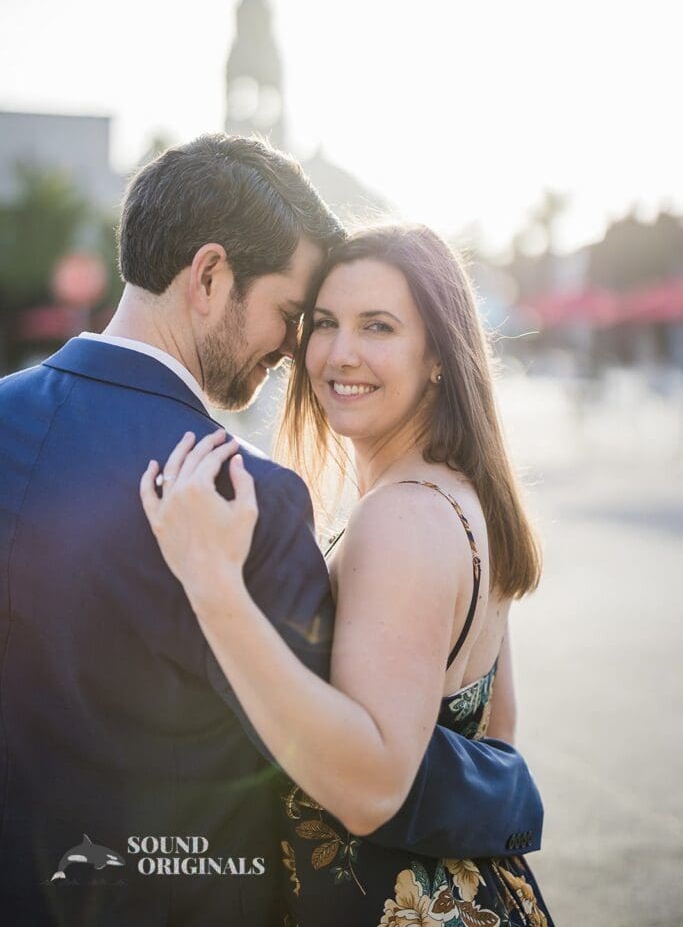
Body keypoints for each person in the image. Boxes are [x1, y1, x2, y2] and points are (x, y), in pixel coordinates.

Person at [0, 135, 541, 927]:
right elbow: (333, 770)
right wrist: (507, 790)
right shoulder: (247, 496)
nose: (302, 349)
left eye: (375, 325)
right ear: (211, 275)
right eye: (300, 315)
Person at [141, 223, 555, 926]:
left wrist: (212, 584)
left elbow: (368, 793)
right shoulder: (459, 496)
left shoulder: (400, 519)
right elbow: (496, 734)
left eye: (379, 326)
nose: (338, 353)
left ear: (437, 358)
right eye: (323, 323)